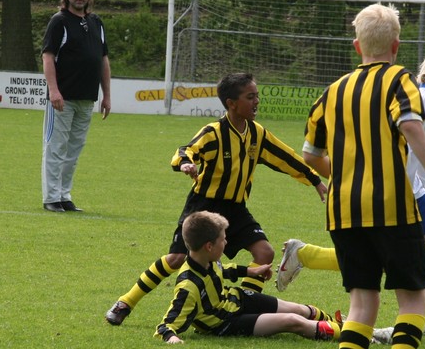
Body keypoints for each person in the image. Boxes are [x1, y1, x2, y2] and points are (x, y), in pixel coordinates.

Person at [304, 3, 425, 349]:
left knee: (362, 301)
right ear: (396, 45)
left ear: (357, 46)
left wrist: (346, 175)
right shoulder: (399, 80)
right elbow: (410, 125)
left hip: (343, 209)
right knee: (414, 297)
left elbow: (310, 155)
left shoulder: (332, 91)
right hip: (392, 207)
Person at [276, 42, 425, 343]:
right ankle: (305, 255)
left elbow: (414, 154)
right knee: (397, 253)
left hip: (409, 184)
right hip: (399, 187)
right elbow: (412, 147)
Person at [106, 72, 328, 325]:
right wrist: (186, 164)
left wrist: (314, 179)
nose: (257, 101)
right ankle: (126, 302)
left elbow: (285, 157)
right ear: (231, 103)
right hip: (204, 207)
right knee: (177, 259)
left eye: (257, 96)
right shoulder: (213, 133)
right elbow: (186, 150)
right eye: (250, 97)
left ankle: (243, 307)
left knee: (264, 252)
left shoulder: (257, 134)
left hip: (236, 208)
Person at [156, 211, 342, 343]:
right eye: (223, 239)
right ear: (209, 246)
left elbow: (224, 270)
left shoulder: (207, 259)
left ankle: (337, 322)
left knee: (299, 309)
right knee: (291, 321)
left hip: (237, 299)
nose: (226, 242)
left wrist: (250, 271)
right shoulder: (188, 286)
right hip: (226, 323)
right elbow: (166, 325)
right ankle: (348, 333)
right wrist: (172, 338)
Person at [41, 0, 112, 212]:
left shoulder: (96, 23)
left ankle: (64, 195)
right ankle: (51, 198)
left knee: (73, 150)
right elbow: (48, 56)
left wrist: (107, 95)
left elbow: (103, 59)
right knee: (56, 147)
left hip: (87, 98)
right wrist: (54, 91)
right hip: (63, 98)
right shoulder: (59, 21)